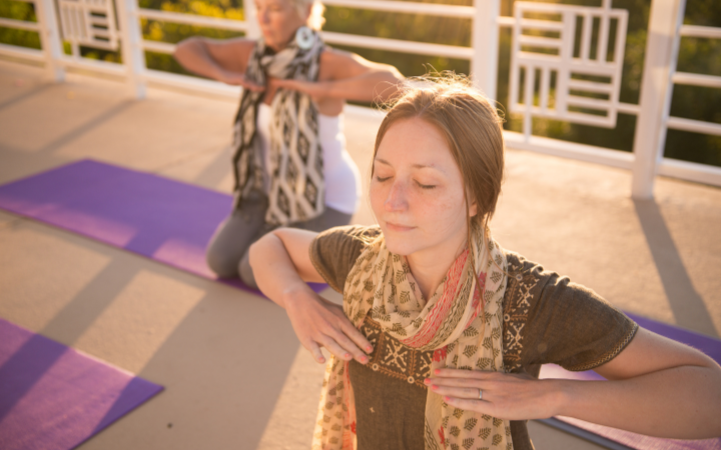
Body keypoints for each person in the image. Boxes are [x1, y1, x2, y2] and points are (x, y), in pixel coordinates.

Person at [249, 76, 721, 450]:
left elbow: (709, 394)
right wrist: (297, 300)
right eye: (383, 174)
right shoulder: (359, 259)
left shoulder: (527, 301)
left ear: (476, 195)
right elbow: (270, 247)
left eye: (426, 184)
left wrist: (554, 397)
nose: (393, 202)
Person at [173, 0, 402, 287]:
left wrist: (321, 88)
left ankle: (344, 243)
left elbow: (394, 83)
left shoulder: (325, 63)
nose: (263, 19)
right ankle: (280, 230)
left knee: (251, 270)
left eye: (276, 9)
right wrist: (225, 75)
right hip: (267, 193)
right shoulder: (253, 56)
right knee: (220, 260)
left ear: (305, 11)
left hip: (323, 198)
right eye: (259, 8)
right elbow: (187, 49)